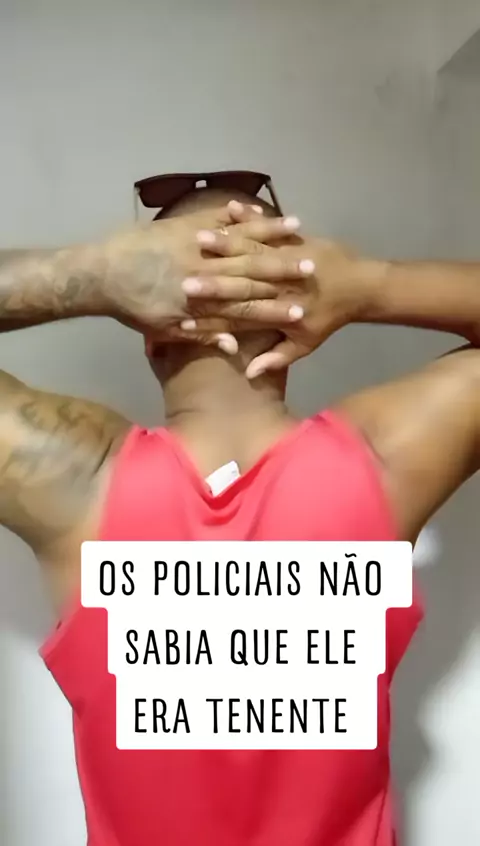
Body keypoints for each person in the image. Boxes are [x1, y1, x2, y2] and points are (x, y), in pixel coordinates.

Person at [3, 179, 480, 846]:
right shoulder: (382, 463)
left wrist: (92, 273)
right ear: (297, 314)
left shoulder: (79, 481)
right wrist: (372, 284)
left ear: (148, 334)